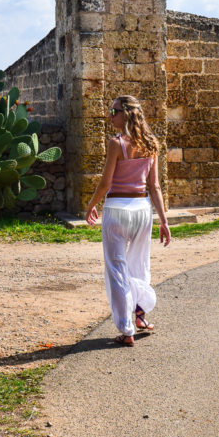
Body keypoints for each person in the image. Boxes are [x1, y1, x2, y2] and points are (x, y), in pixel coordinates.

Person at [84, 95, 171, 346]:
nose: (109, 116)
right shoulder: (151, 143)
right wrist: (163, 221)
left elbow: (105, 183)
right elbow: (154, 186)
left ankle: (127, 329)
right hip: (143, 210)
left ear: (125, 114)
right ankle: (141, 315)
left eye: (113, 112)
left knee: (117, 270)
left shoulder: (116, 144)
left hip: (117, 210)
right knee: (139, 264)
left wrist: (91, 205)